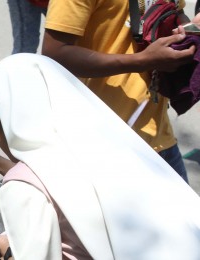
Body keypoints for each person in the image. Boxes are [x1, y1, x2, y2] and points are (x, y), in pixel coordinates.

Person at [0, 53, 200, 259]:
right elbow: (59, 184)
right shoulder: (107, 147)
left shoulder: (20, 189)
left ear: (8, 117)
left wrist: (5, 249)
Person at [40, 0, 194, 183]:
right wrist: (142, 61)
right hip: (102, 143)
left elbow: (177, 13)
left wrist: (189, 31)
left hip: (159, 137)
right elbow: (55, 52)